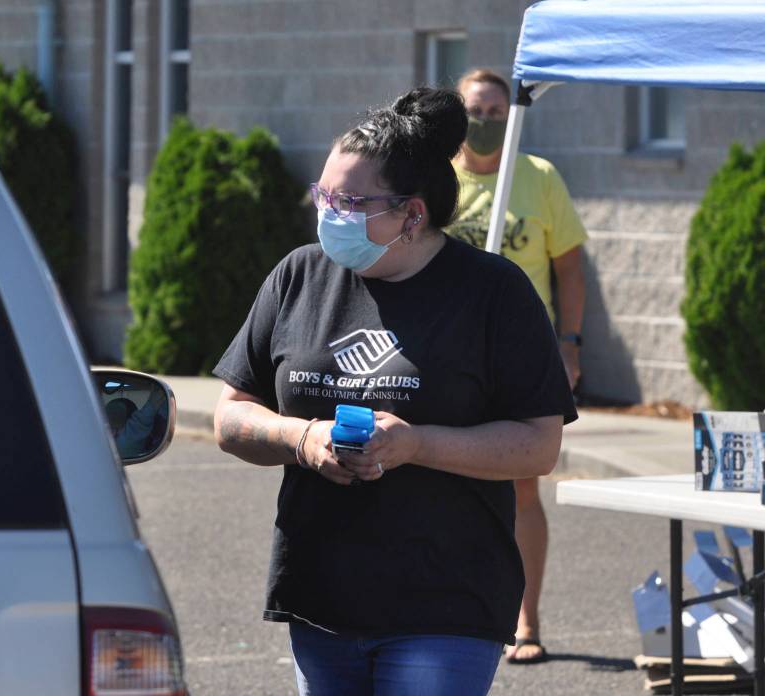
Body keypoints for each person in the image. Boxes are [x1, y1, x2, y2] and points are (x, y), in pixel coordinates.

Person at [212, 85, 577, 696]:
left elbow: (539, 446)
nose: (330, 212)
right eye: (324, 194)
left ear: (412, 214)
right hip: (320, 596)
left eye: (350, 200)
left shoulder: (493, 292)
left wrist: (415, 445)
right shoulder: (299, 275)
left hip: (446, 603)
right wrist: (304, 438)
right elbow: (230, 417)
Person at [449, 68, 588, 665]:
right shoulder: (432, 179)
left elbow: (570, 269)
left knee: (521, 490)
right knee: (440, 484)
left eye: (496, 112)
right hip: (445, 355)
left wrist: (570, 342)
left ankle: (526, 622)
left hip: (518, 356)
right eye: (475, 110)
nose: (485, 122)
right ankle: (450, 613)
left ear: (514, 117)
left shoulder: (539, 177)